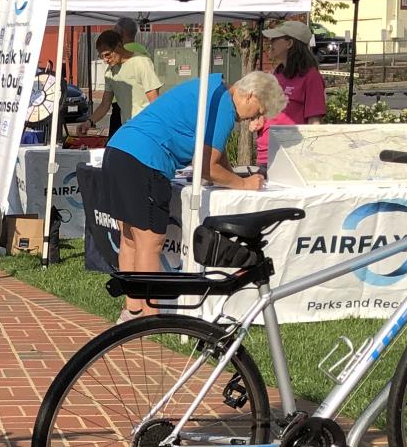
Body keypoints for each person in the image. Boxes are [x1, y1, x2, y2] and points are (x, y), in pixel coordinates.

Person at [101, 70, 282, 316]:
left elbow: (215, 153)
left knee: (130, 238)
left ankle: (132, 311)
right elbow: (206, 166)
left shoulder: (213, 89)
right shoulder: (225, 108)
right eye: (259, 111)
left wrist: (235, 177)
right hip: (146, 160)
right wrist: (244, 185)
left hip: (119, 150)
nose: (256, 122)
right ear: (250, 95)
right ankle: (149, 318)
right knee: (149, 243)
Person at [258, 19, 327, 166]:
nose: (270, 43)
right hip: (265, 154)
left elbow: (314, 122)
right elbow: (268, 111)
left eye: (275, 39)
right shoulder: (277, 73)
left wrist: (311, 158)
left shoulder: (311, 76)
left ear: (290, 44)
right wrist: (259, 119)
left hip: (291, 156)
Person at [87, 31, 162, 136]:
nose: (105, 60)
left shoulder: (141, 62)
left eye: (107, 54)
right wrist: (89, 122)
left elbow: (154, 102)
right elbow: (105, 104)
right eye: (101, 56)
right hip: (128, 128)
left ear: (118, 46)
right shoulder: (109, 73)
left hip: (146, 128)